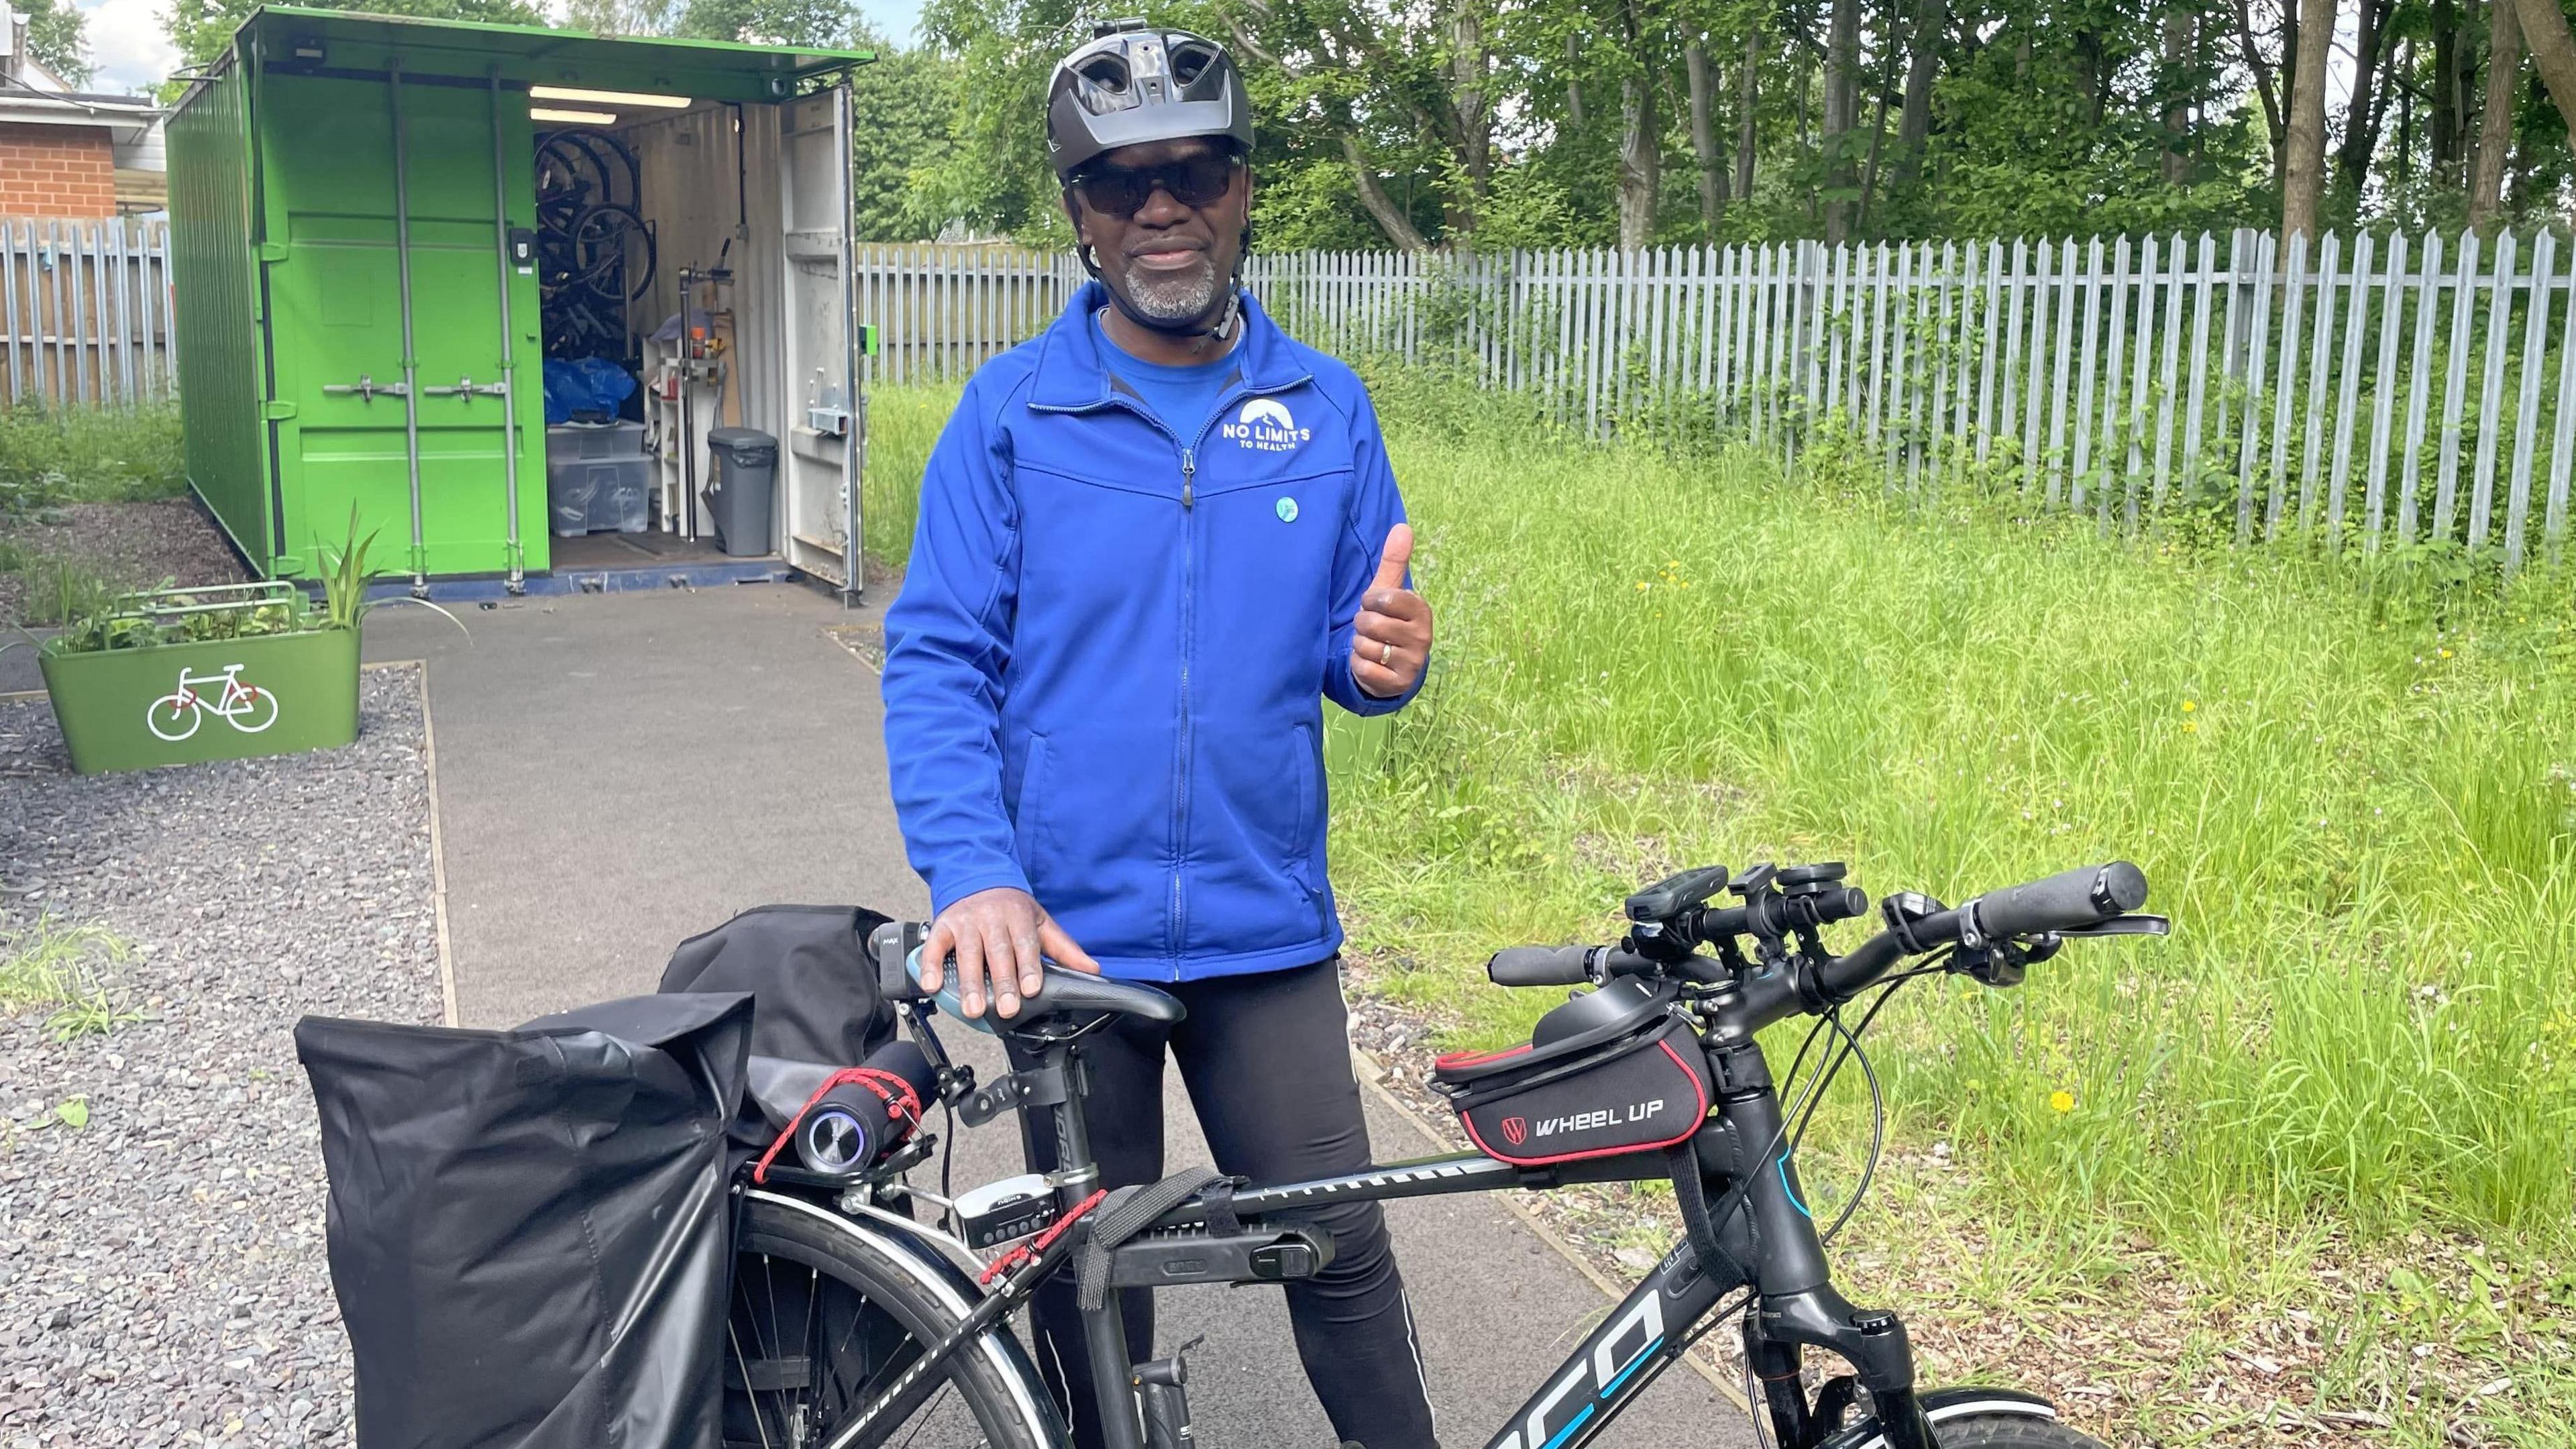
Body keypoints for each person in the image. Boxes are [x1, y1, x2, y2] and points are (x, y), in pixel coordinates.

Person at [879, 19, 1440, 1448]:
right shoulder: (1010, 415)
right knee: (1093, 1284)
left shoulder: (1324, 408)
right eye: (1122, 184)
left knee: (1344, 1254)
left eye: (1194, 172)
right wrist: (975, 875)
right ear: (1079, 214)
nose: (1162, 208)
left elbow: (1349, 648)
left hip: (1265, 927)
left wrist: (1381, 664)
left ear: (1244, 190)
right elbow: (939, 657)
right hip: (1065, 939)